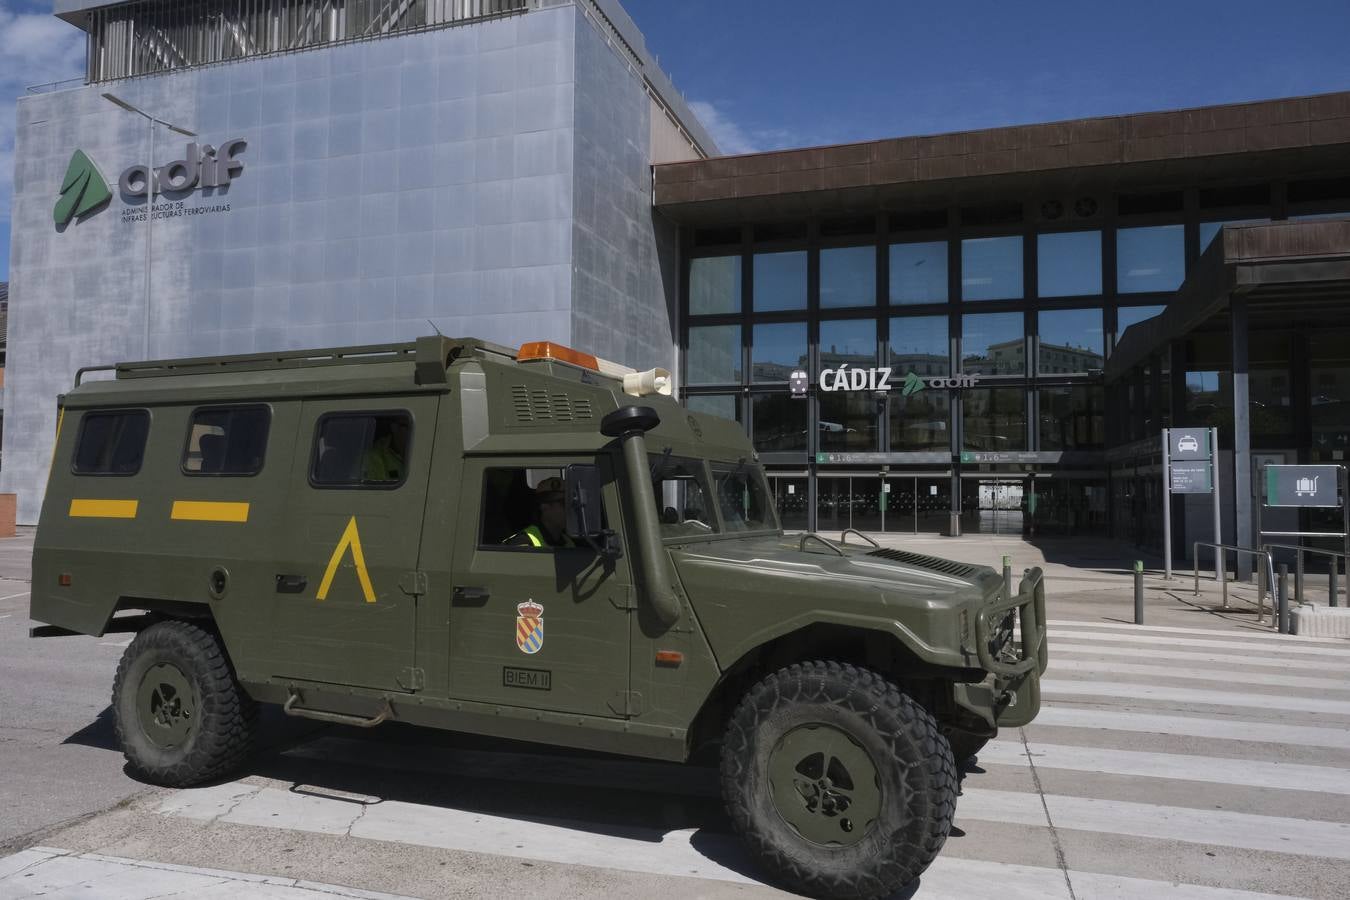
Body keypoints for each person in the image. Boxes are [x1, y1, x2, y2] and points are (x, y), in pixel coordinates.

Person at [506, 476, 574, 548]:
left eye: (572, 504)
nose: (570, 509)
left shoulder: (569, 543)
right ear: (544, 506)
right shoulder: (522, 543)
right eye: (564, 503)